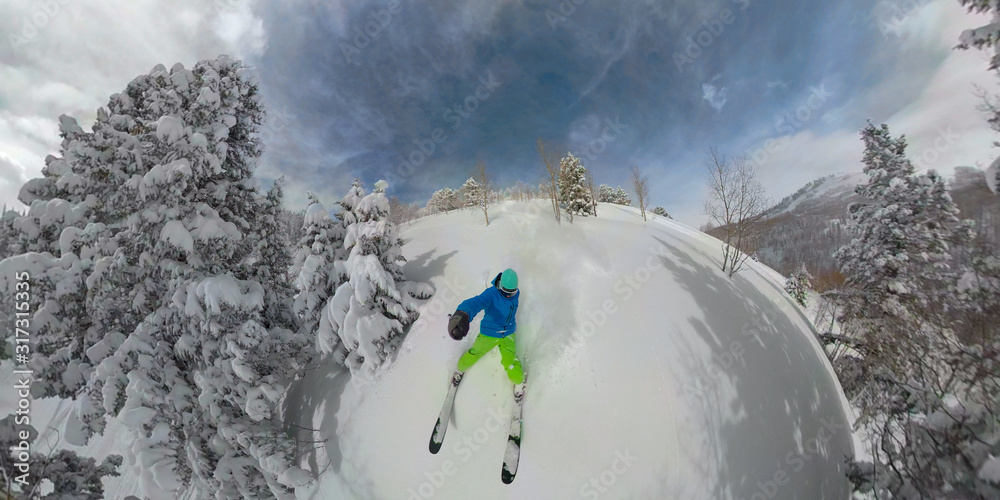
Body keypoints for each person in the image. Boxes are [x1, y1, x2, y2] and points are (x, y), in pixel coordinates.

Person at [448, 268, 524, 389]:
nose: (509, 295)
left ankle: (519, 384)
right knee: (476, 352)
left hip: (508, 333)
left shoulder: (515, 294)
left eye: (512, 292)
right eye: (505, 291)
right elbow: (477, 302)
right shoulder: (492, 293)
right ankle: (459, 370)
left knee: (511, 362)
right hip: (489, 334)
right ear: (500, 286)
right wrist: (463, 313)